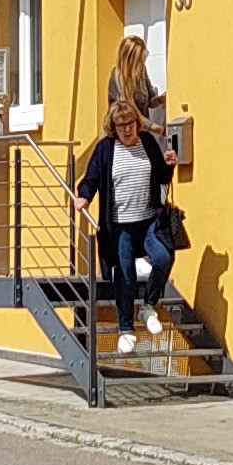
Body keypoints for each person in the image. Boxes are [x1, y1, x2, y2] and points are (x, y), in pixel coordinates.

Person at [72, 86, 183, 352]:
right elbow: (91, 178)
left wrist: (169, 164)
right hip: (119, 227)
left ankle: (148, 306)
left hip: (149, 221)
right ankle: (125, 329)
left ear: (137, 123)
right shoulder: (105, 149)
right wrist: (84, 196)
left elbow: (161, 177)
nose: (127, 130)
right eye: (121, 126)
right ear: (113, 128)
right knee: (124, 275)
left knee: (164, 257)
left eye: (130, 124)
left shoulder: (147, 143)